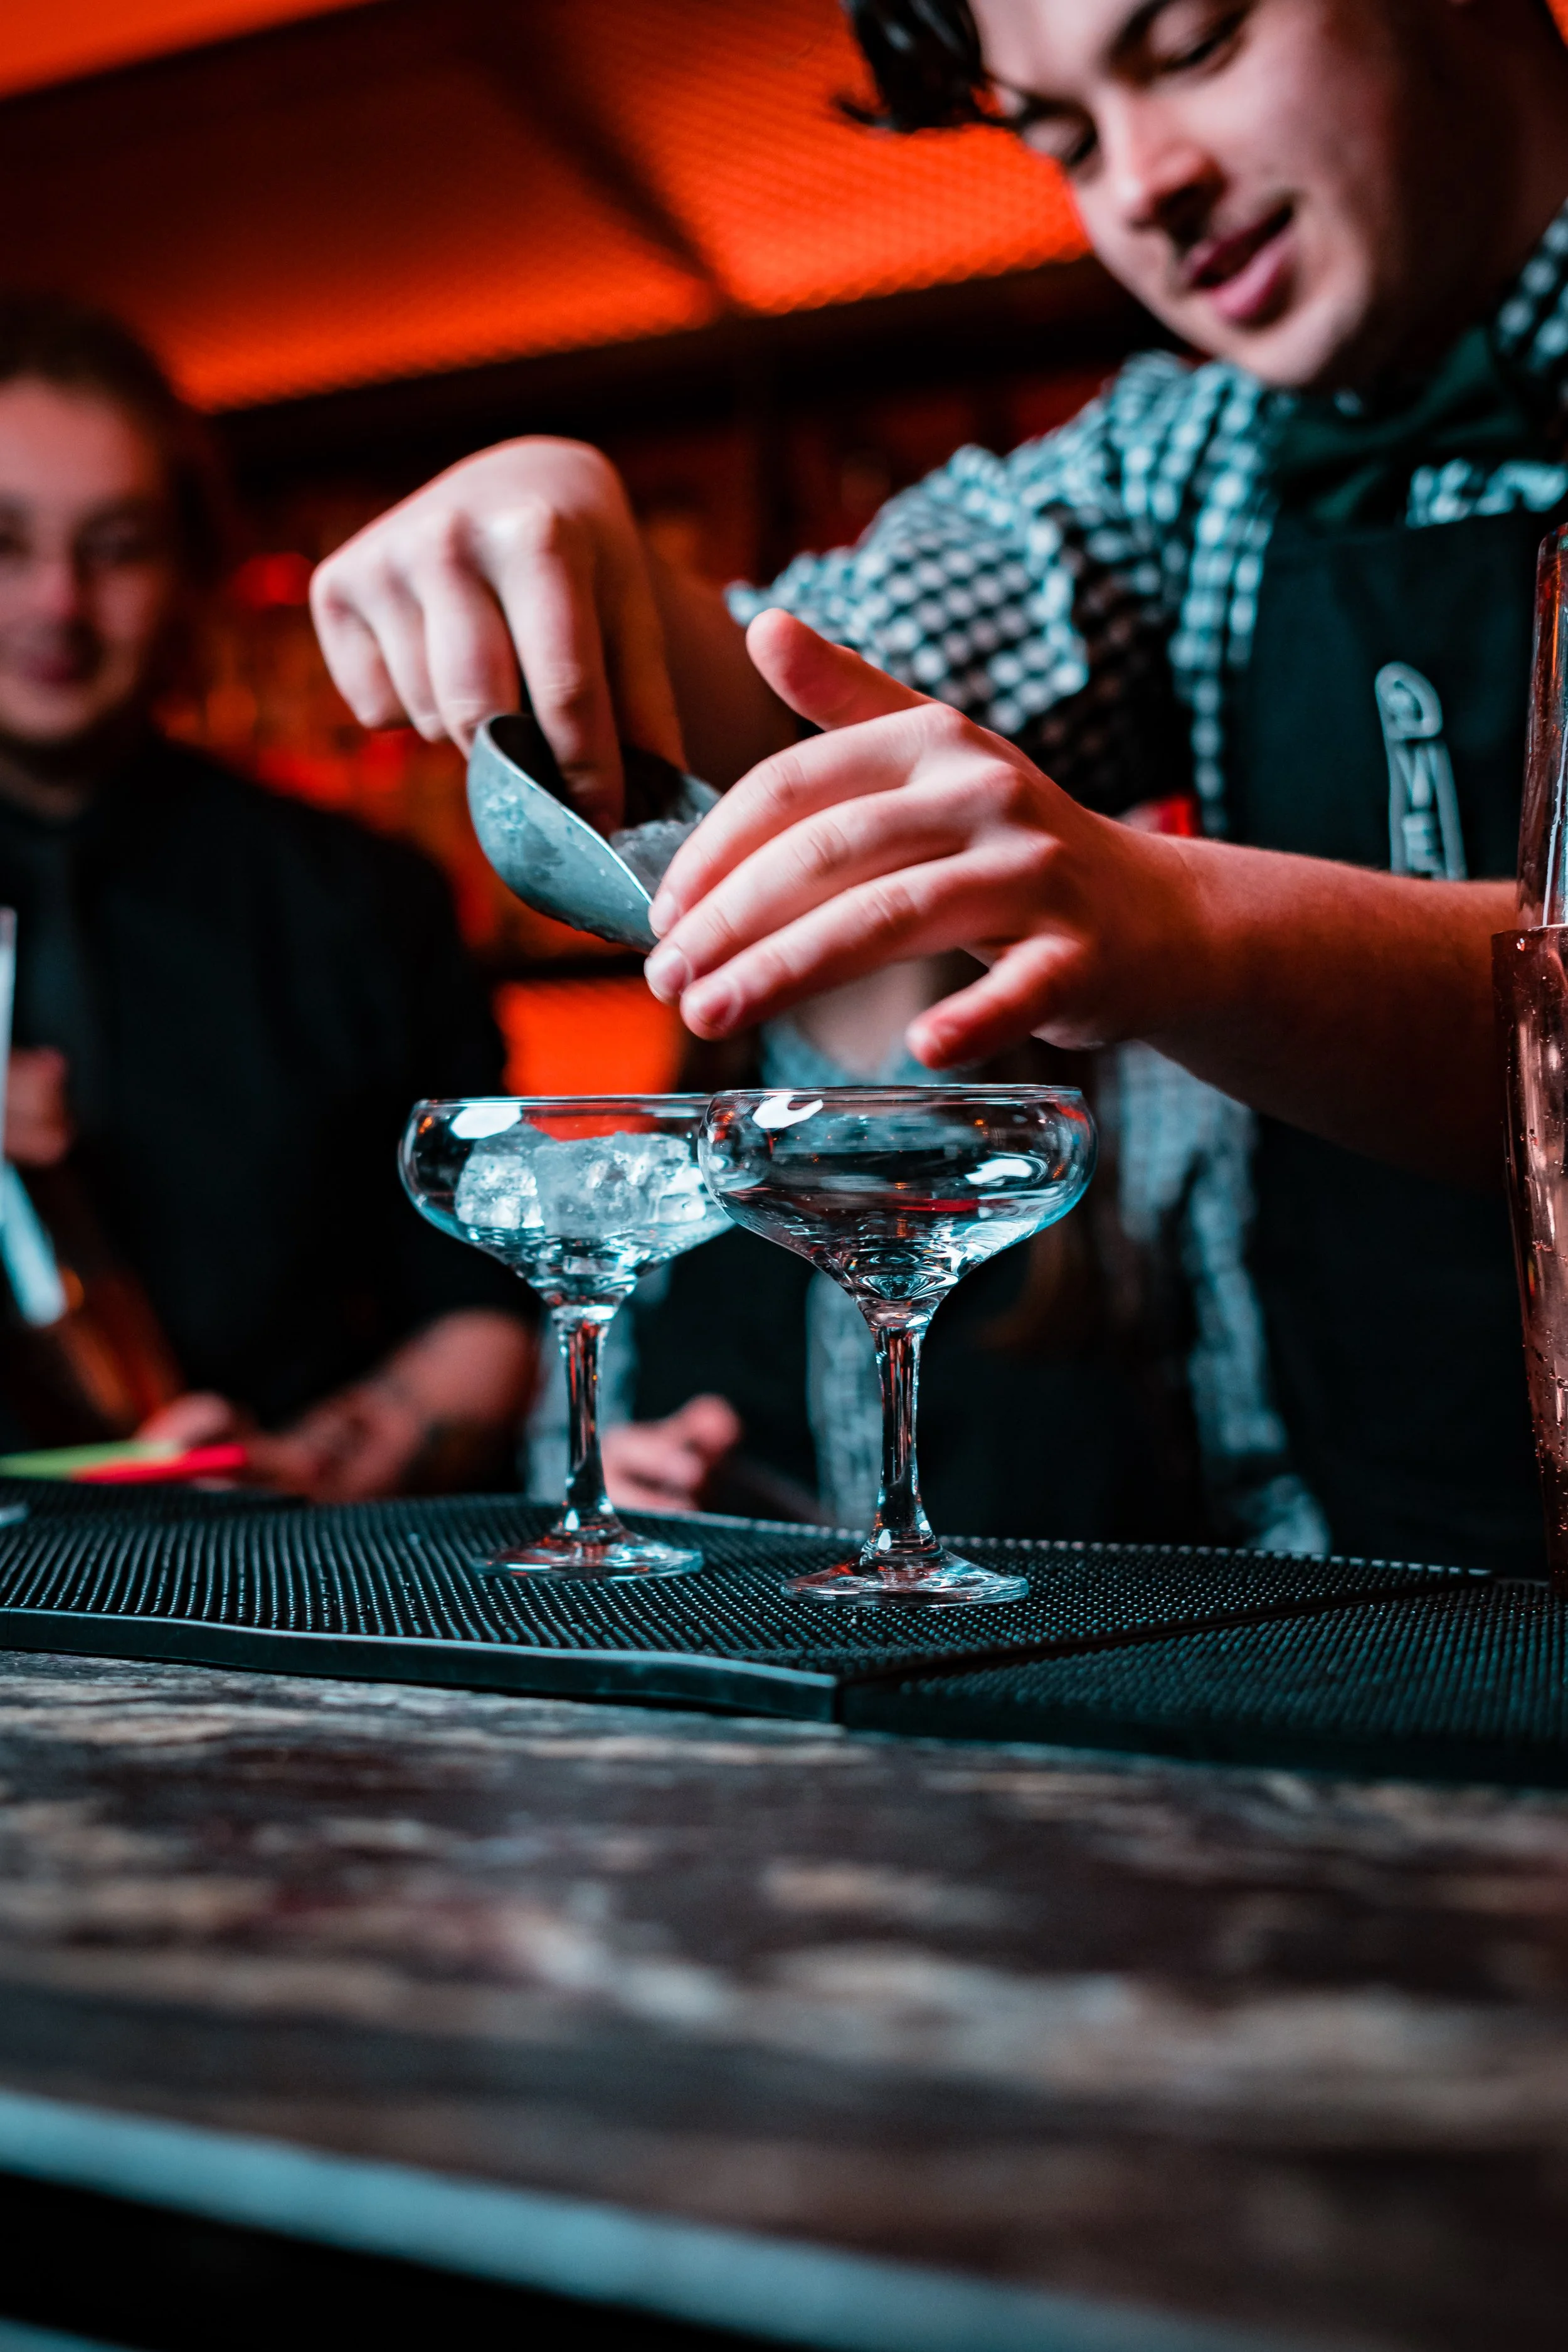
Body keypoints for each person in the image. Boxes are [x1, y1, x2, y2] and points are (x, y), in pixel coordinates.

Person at [310, 0, 1568, 1572]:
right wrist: (590, 563)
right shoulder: (1192, 455)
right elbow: (827, 702)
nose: (1140, 183)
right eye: (1060, 138)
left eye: (1191, 47)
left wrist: (1173, 925)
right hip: (1386, 1575)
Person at [0, 295, 534, 1498]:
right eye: (5, 545)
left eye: (118, 545)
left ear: (192, 572)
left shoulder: (366, 901)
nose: (58, 606)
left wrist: (331, 1455)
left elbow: (486, 1315)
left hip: (277, 1582)